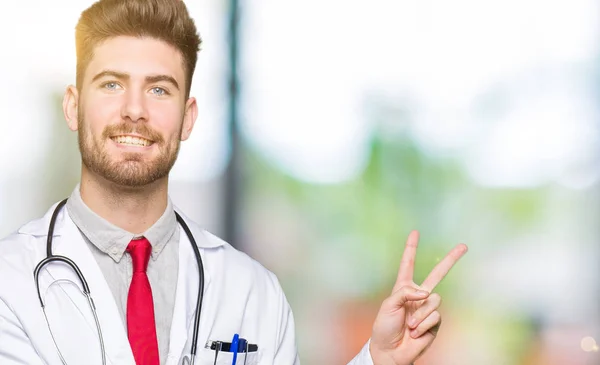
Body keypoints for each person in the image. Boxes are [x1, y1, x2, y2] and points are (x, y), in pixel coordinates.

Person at [0, 0, 468, 364]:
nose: (135, 110)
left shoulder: (251, 291)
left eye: (159, 88)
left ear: (187, 118)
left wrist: (379, 359)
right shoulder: (9, 284)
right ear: (72, 106)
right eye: (112, 84)